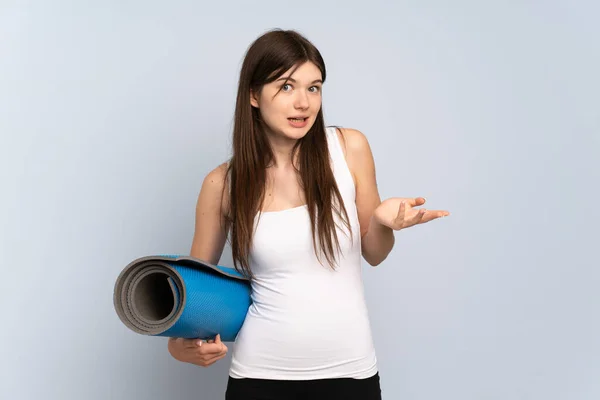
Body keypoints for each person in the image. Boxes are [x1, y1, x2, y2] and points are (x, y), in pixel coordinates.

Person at [167, 29, 450, 399]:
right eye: (287, 87)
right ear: (253, 95)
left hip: (351, 373)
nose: (304, 103)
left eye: (313, 87)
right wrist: (179, 347)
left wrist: (382, 223)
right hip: (259, 376)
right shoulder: (223, 183)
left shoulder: (349, 148)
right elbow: (194, 290)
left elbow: (375, 254)